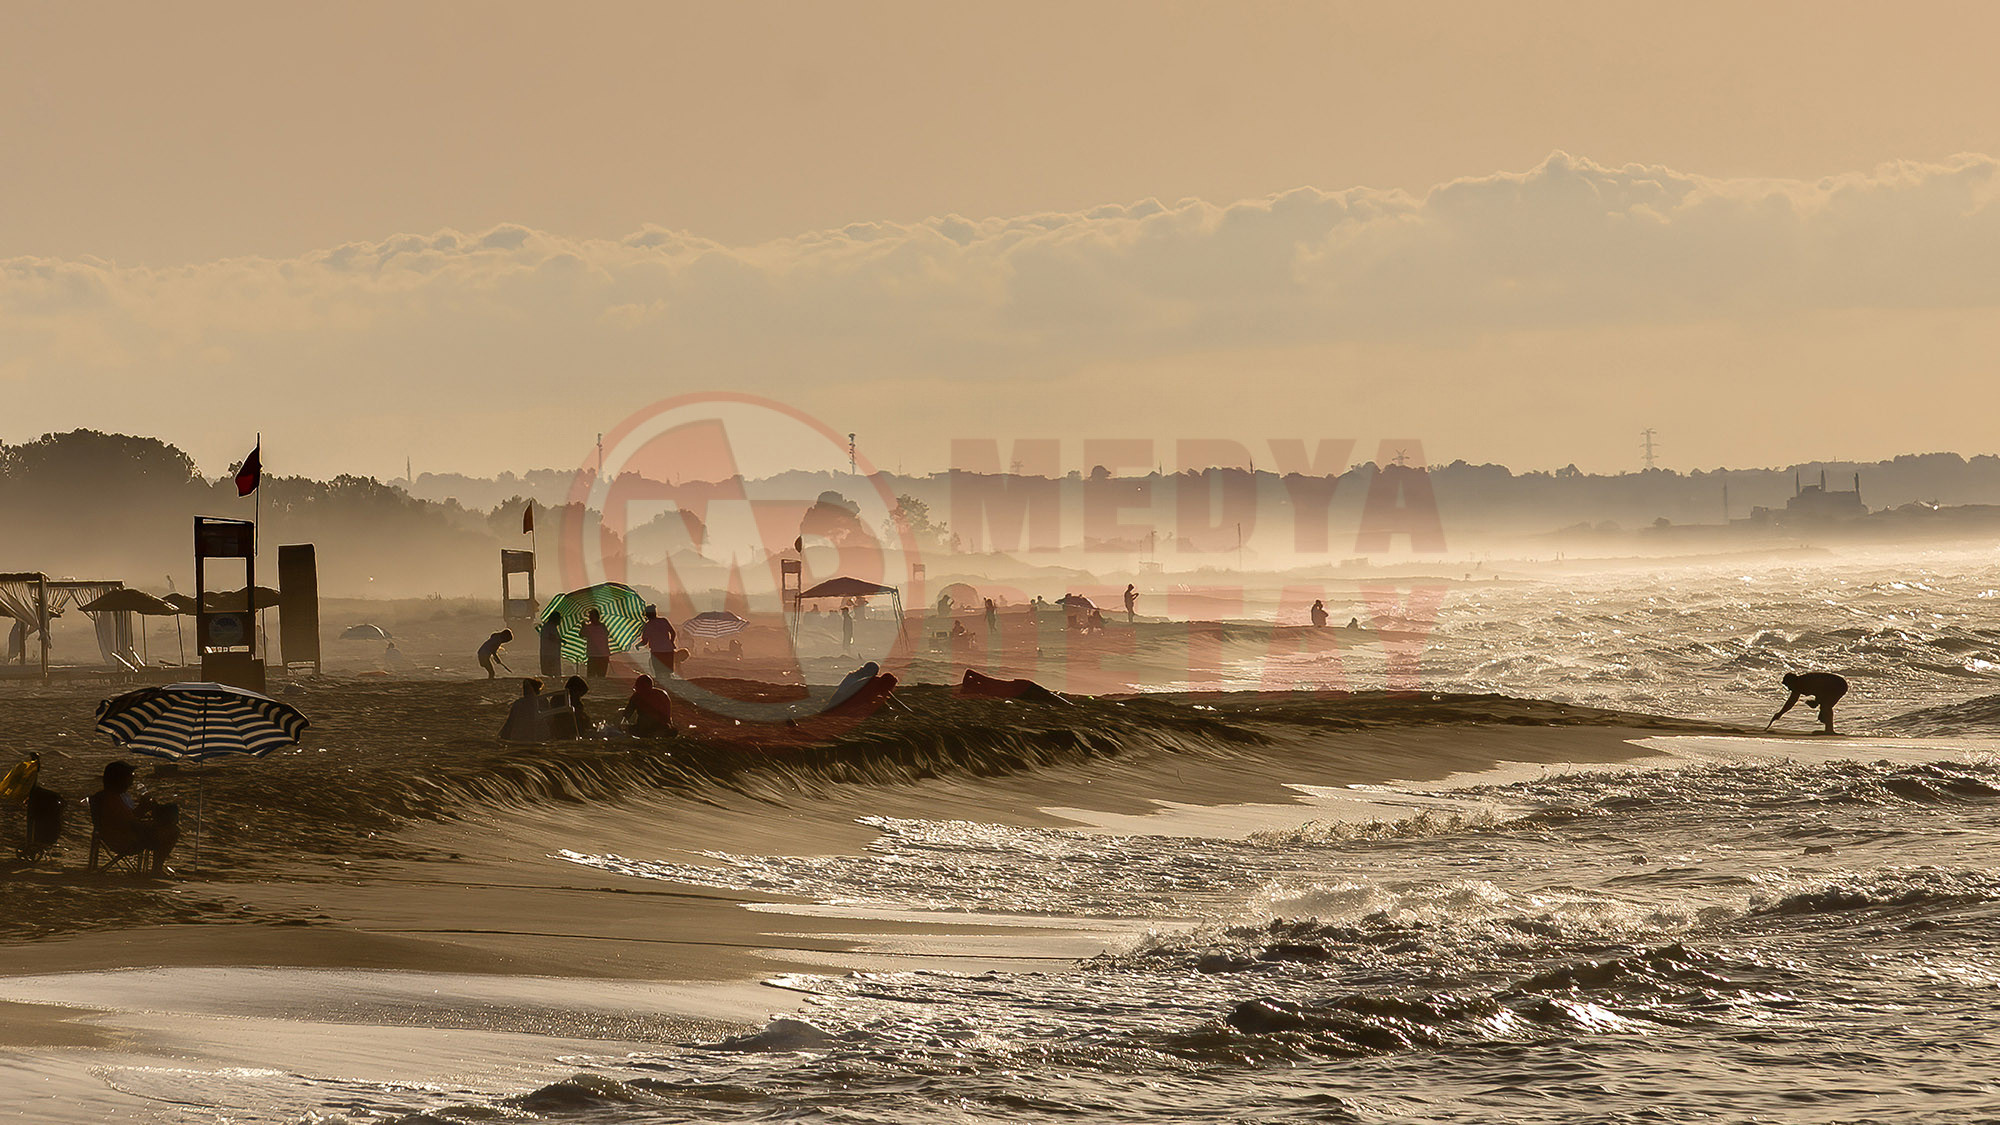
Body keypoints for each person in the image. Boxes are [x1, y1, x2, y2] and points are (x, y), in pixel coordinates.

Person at [90, 760, 178, 875]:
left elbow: (125, 819)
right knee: (173, 831)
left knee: (164, 823)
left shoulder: (106, 796)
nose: (131, 783)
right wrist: (152, 819)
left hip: (117, 836)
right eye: (130, 778)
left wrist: (144, 811)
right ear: (119, 779)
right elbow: (130, 824)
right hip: (125, 841)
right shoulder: (111, 799)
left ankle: (156, 869)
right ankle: (156, 869)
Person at [1769, 671, 1849, 734]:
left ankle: (1829, 730)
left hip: (1838, 684)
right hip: (1831, 686)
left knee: (1825, 707)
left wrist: (1817, 702)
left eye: (1788, 686)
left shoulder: (1804, 683)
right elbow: (1791, 702)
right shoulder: (1798, 685)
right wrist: (1780, 713)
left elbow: (1821, 690)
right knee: (1823, 713)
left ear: (1792, 682)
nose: (1789, 689)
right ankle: (1828, 729)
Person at [499, 677, 550, 742]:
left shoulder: (518, 703)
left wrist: (503, 737)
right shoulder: (544, 701)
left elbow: (510, 723)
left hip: (520, 736)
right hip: (541, 736)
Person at [641, 605, 677, 678]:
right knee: (667, 671)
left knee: (658, 672)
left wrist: (638, 645)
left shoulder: (648, 625)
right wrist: (671, 642)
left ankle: (661, 685)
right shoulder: (663, 620)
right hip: (668, 650)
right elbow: (673, 632)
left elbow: (645, 641)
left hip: (657, 651)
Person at [581, 610, 612, 678]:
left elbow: (582, 635)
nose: (590, 619)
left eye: (591, 617)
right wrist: (583, 627)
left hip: (600, 655)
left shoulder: (601, 627)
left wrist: (583, 627)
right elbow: (581, 635)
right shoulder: (601, 626)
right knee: (593, 677)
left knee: (598, 676)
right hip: (595, 655)